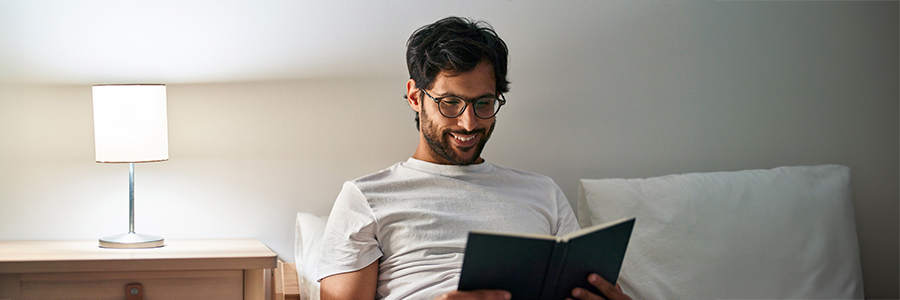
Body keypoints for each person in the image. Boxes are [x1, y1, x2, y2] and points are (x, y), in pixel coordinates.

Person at [317, 16, 632, 300]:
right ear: (416, 97)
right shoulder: (367, 197)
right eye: (450, 103)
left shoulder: (543, 192)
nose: (469, 123)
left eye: (484, 103)